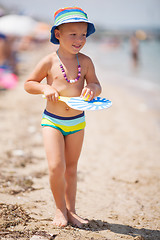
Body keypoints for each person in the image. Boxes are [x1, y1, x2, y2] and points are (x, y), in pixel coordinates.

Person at [24, 7, 101, 228]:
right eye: (73, 34)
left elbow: (96, 83)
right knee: (56, 166)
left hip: (77, 122)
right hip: (53, 121)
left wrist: (93, 90)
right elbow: (29, 83)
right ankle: (59, 209)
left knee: (71, 168)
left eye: (84, 34)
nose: (80, 39)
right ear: (58, 34)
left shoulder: (85, 61)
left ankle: (72, 210)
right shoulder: (49, 61)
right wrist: (44, 89)